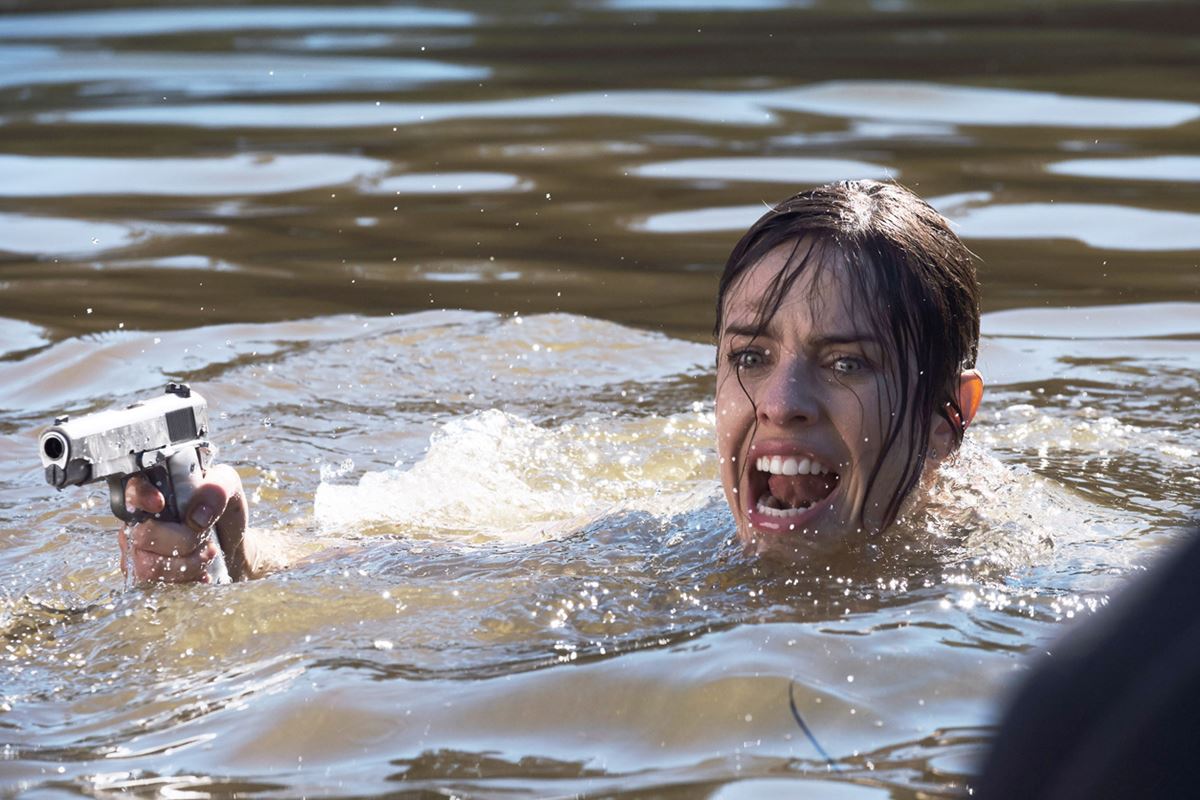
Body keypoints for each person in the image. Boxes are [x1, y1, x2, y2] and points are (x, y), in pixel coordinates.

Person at [119, 179, 984, 581]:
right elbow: (446, 563)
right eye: (751, 357)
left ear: (948, 417)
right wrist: (233, 554)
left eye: (845, 362)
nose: (783, 404)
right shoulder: (668, 549)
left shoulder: (1010, 596)